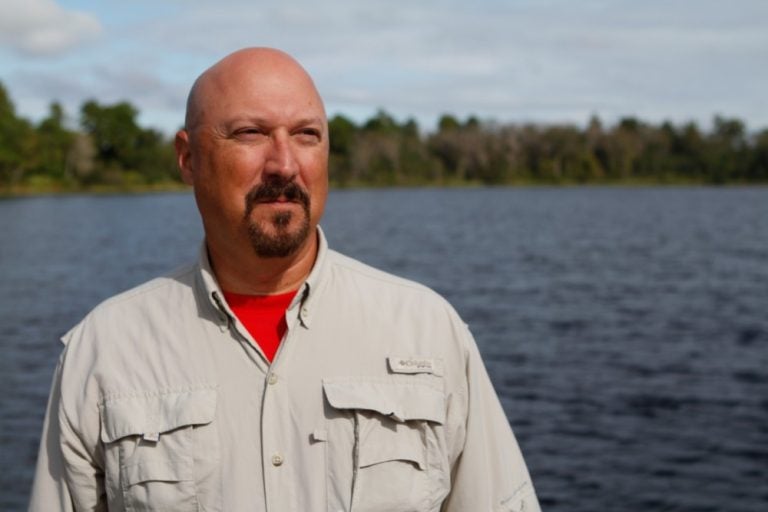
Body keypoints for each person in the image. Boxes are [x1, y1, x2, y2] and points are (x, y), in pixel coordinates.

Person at [28, 47, 540, 512]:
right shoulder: (104, 349)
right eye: (250, 134)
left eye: (306, 135)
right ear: (188, 159)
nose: (284, 164)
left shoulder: (429, 330)